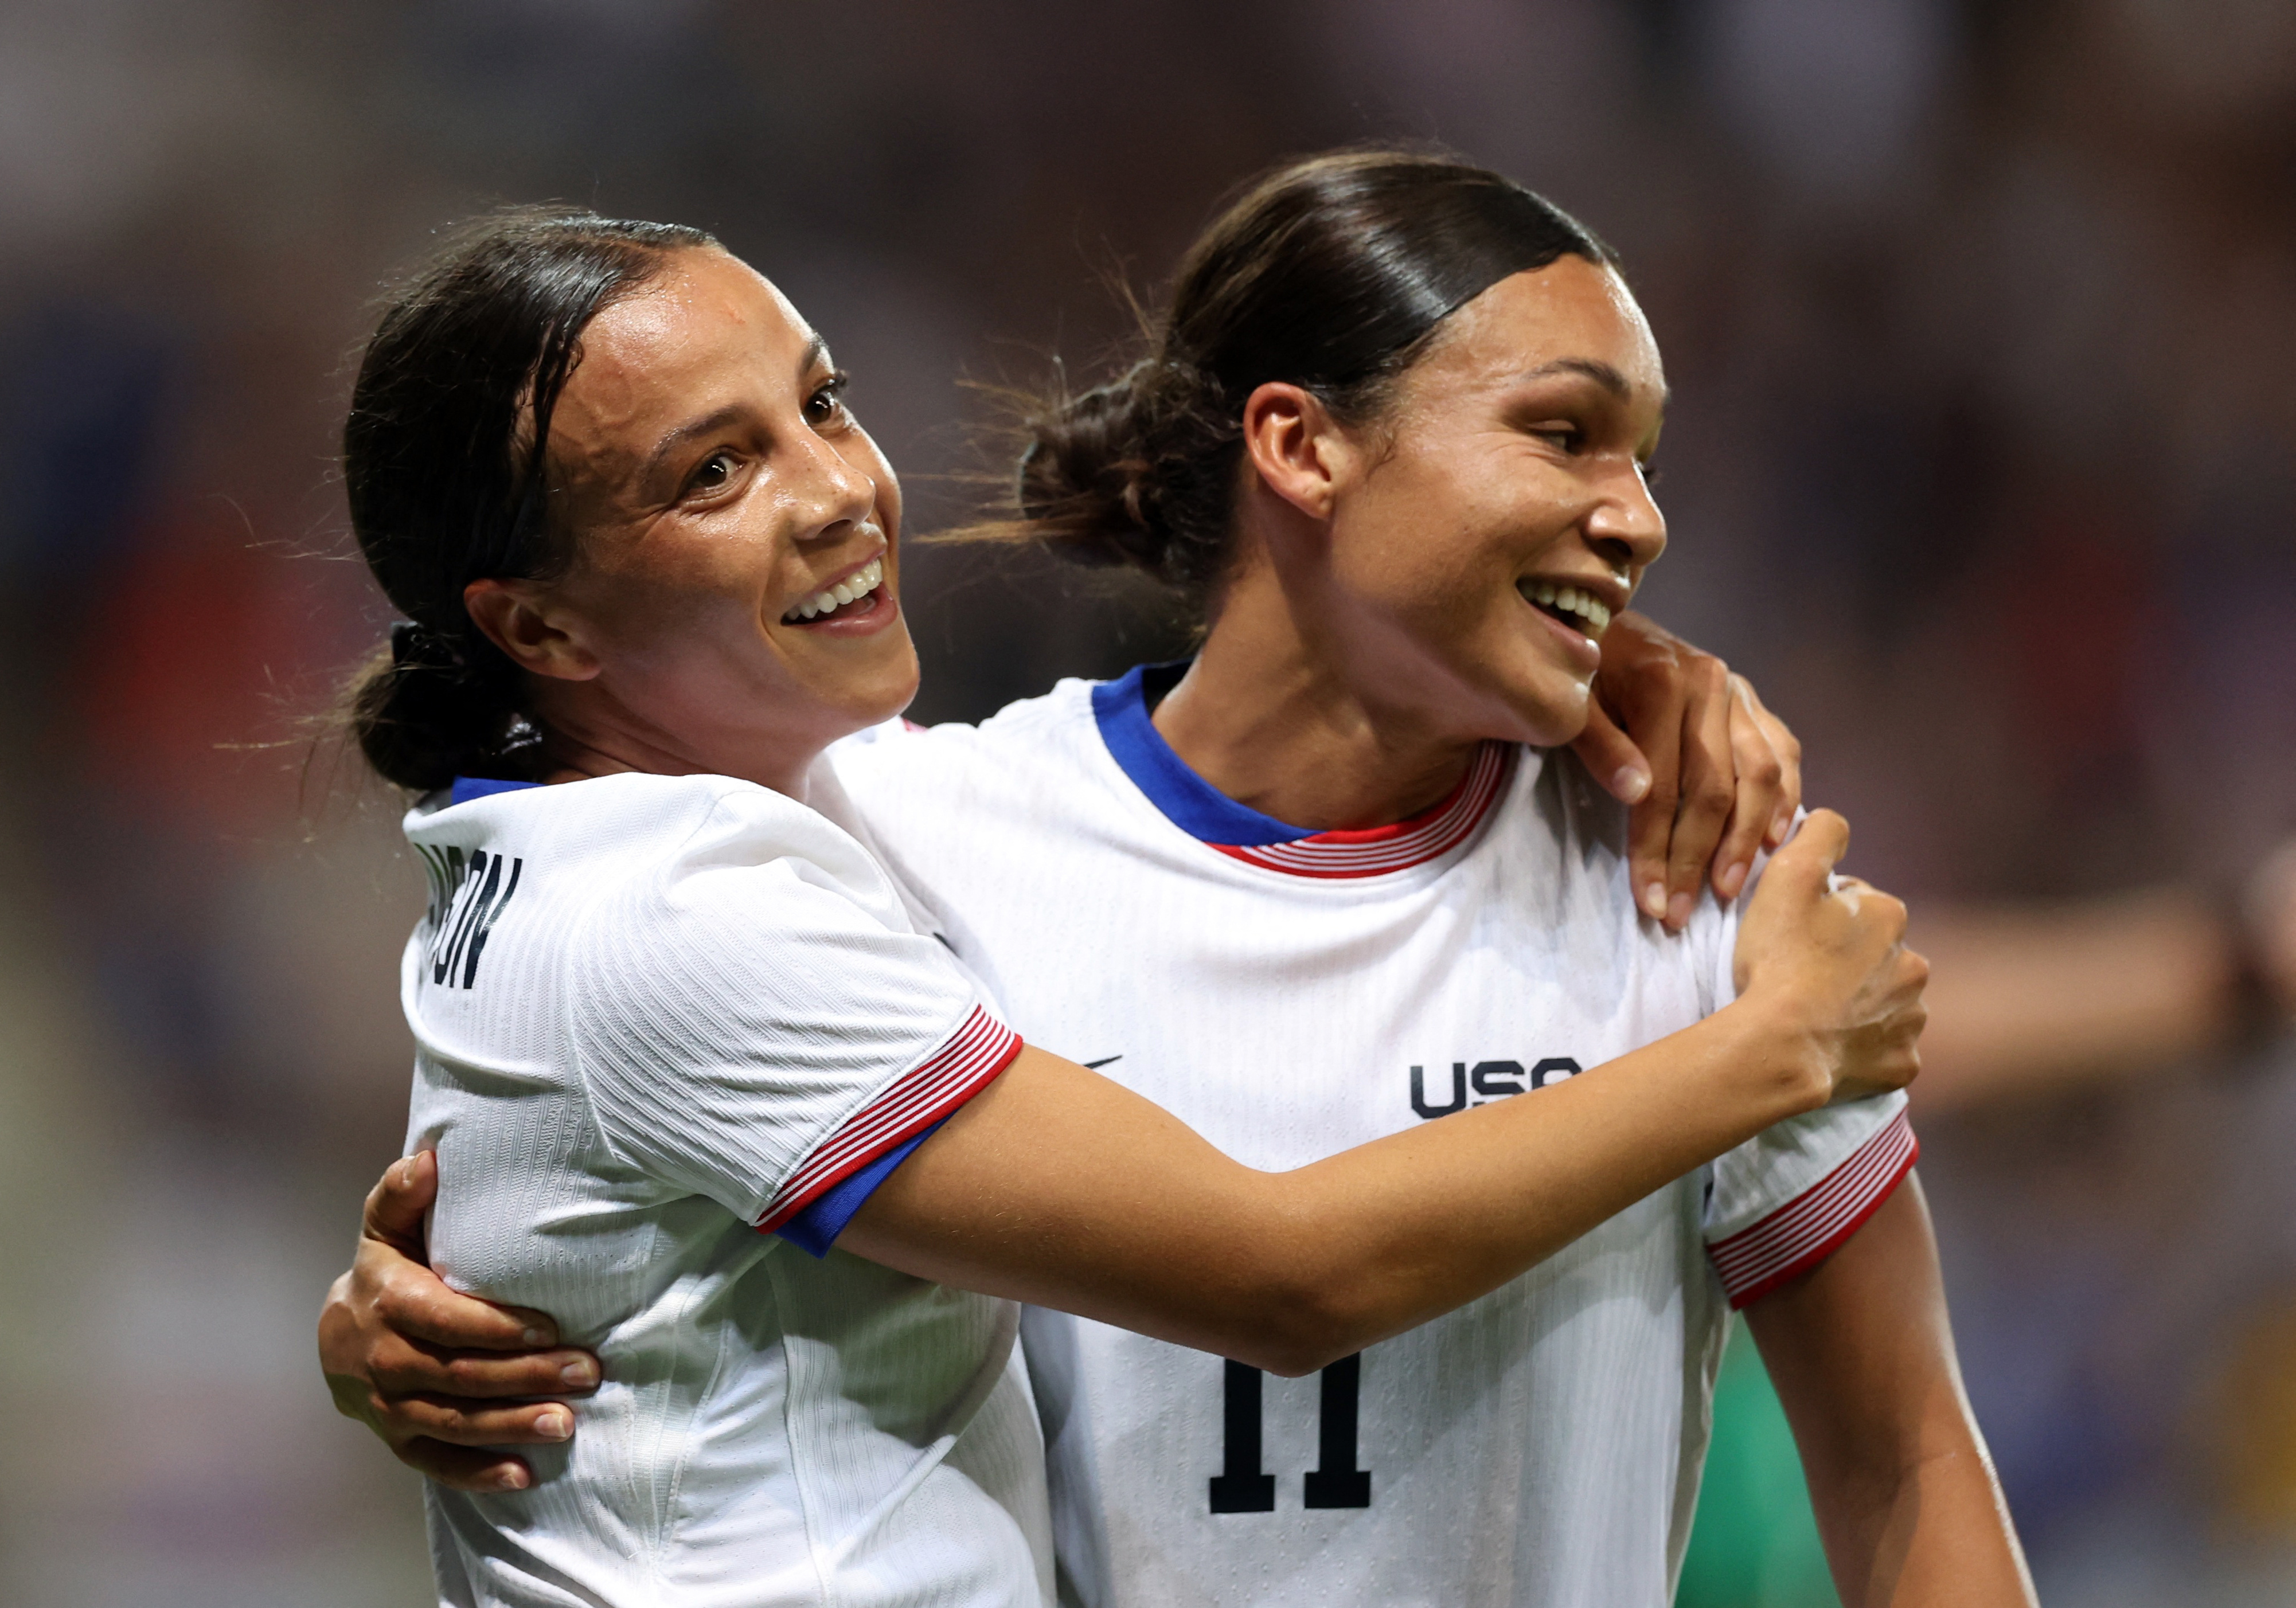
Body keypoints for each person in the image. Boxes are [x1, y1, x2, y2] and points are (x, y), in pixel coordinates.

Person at [319, 154, 2002, 1606]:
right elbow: (618, 1068)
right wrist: (433, 1307)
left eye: (825, 405)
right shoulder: (880, 844)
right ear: (1300, 444)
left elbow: (1903, 1463)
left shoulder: (1694, 877)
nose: (1633, 518)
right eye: (1561, 435)